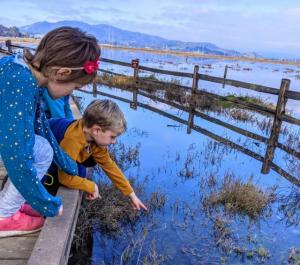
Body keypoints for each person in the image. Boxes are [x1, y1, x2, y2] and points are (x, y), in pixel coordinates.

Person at [0, 26, 100, 237]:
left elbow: (41, 127)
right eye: (74, 87)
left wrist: (68, 165)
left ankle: (12, 205)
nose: (71, 93)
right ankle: (4, 217)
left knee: (42, 147)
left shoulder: (23, 72)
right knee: (35, 150)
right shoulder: (21, 83)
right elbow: (17, 155)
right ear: (62, 73)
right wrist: (46, 203)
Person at [47, 99, 147, 211]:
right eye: (112, 137)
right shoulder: (72, 140)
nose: (114, 142)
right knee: (53, 179)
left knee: (79, 171)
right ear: (96, 130)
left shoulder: (95, 140)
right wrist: (91, 186)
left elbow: (109, 166)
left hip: (64, 153)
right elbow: (64, 178)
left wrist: (131, 194)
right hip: (42, 152)